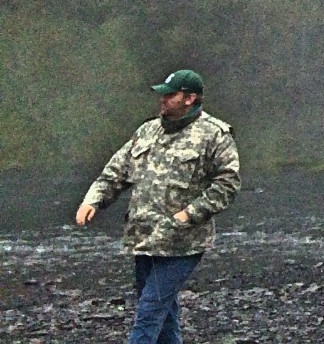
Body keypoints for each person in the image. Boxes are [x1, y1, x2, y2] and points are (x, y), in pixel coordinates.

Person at [75, 70, 241, 344]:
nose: (163, 99)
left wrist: (189, 213)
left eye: (170, 94)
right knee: (164, 315)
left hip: (183, 241)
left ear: (190, 98)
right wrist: (93, 199)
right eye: (162, 94)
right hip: (144, 238)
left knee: (149, 311)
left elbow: (227, 184)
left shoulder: (215, 134)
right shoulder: (147, 130)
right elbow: (115, 172)